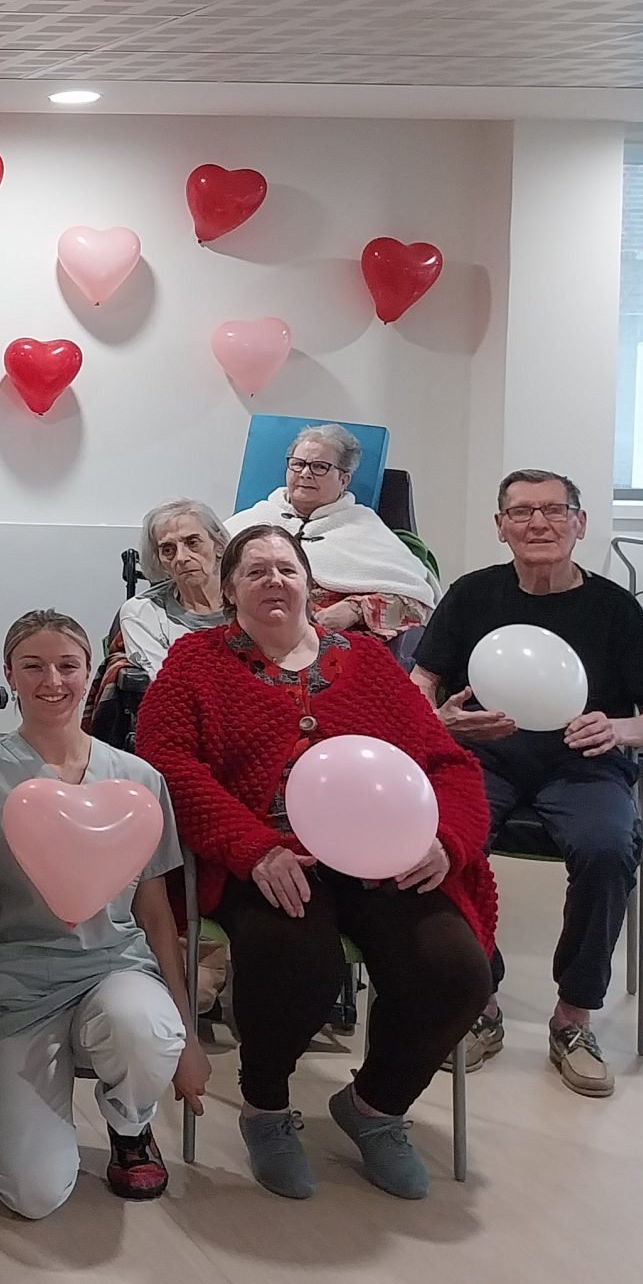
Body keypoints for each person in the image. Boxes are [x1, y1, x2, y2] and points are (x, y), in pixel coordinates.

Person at [134, 525, 495, 1200]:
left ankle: (375, 1109)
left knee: (454, 969)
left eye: (286, 569)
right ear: (230, 588)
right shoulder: (196, 661)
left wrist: (445, 841)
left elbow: (447, 761)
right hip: (264, 855)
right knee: (297, 961)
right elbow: (166, 763)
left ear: (308, 582)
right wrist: (252, 846)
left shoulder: (364, 659)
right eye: (256, 571)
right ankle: (267, 1108)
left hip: (379, 855)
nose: (274, 580)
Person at [412, 470, 643, 1097]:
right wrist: (439, 719)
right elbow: (422, 681)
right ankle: (481, 998)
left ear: (579, 524)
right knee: (443, 844)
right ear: (500, 526)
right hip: (485, 754)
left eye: (555, 510)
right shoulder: (473, 594)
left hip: (583, 761)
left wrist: (616, 729)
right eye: (522, 512)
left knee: (609, 849)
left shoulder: (613, 607)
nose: (539, 523)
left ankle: (574, 1017)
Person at [0, 611, 206, 1217]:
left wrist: (189, 1036)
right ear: (9, 674)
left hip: (114, 970)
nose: (52, 681)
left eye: (68, 666)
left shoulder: (137, 778)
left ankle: (128, 1123)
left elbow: (156, 913)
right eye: (33, 666)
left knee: (145, 1029)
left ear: (91, 674)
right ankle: (35, 1112)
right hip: (14, 982)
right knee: (34, 1195)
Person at [222, 424, 436, 640]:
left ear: (344, 480)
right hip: (243, 637)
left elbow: (415, 604)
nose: (305, 474)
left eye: (319, 467)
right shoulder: (253, 519)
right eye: (298, 464)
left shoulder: (366, 530)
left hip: (328, 648)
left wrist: (356, 609)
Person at [115, 499, 231, 689]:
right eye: (168, 550)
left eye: (192, 543)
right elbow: (168, 683)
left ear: (218, 544)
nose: (181, 557)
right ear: (159, 560)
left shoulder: (250, 602)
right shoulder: (143, 613)